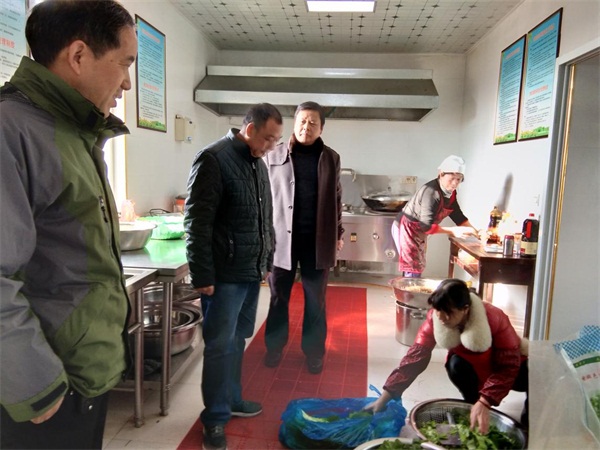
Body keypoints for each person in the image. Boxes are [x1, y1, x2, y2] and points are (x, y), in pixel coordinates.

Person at [0, 1, 137, 449]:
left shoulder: (75, 131)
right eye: (125, 63)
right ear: (78, 56)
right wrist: (36, 385)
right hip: (40, 394)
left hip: (80, 377)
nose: (128, 82)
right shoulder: (12, 130)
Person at [184, 103, 283, 450]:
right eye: (268, 138)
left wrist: (267, 259)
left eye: (276, 140)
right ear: (250, 129)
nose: (271, 146)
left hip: (249, 271)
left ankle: (232, 399)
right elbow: (197, 223)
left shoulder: (257, 163)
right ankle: (214, 420)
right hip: (223, 275)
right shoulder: (213, 159)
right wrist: (201, 273)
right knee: (219, 347)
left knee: (239, 339)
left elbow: (265, 217)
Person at [365, 279, 528, 433]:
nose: (442, 318)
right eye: (438, 311)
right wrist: (384, 398)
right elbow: (414, 359)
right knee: (455, 364)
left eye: (448, 312)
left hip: (512, 371)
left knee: (532, 374)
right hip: (474, 370)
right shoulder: (435, 319)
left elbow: (509, 366)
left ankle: (527, 422)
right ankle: (473, 407)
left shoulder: (494, 317)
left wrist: (486, 401)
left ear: (465, 309)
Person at [262, 101, 344, 375]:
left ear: (321, 128)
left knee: (315, 300)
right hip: (280, 241)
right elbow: (263, 197)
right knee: (278, 297)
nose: (306, 127)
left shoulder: (331, 158)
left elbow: (336, 197)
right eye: (302, 121)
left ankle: (314, 352)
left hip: (317, 241)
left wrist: (338, 233)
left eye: (313, 123)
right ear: (294, 123)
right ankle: (274, 347)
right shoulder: (273, 154)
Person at [391, 155, 478, 277]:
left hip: (419, 231)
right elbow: (426, 227)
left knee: (417, 266)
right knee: (413, 267)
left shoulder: (451, 194)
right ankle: (408, 289)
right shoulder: (431, 192)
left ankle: (409, 287)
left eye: (458, 179)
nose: (455, 183)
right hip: (407, 228)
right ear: (441, 174)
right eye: (452, 178)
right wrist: (453, 231)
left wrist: (476, 233)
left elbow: (458, 216)